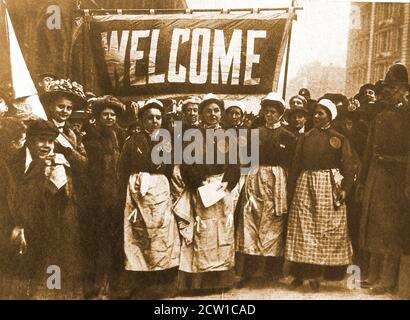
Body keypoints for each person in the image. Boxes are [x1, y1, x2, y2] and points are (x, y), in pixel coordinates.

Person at [9, 119, 84, 299]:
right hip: (20, 226)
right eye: (42, 140)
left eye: (51, 141)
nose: (47, 146)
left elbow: (62, 202)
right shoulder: (15, 162)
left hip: (51, 228)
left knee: (52, 267)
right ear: (30, 140)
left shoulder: (57, 164)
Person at [285, 99, 355, 292]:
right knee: (303, 229)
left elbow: (348, 166)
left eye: (321, 113)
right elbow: (296, 164)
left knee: (326, 229)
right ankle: (301, 274)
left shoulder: (339, 138)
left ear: (330, 116)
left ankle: (322, 274)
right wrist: (290, 191)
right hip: (306, 184)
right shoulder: (305, 137)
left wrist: (345, 189)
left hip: (328, 185)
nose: (316, 116)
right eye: (315, 113)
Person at [176, 93, 240, 294]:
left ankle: (220, 280)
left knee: (222, 231)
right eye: (208, 111)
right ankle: (198, 281)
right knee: (201, 233)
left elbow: (236, 165)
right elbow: (186, 165)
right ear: (202, 114)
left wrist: (227, 183)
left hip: (222, 189)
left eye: (216, 110)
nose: (213, 114)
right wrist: (198, 183)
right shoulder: (193, 136)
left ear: (221, 113)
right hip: (201, 189)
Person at [118, 99, 180, 299]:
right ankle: (141, 283)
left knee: (161, 235)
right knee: (139, 235)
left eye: (158, 118)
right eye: (150, 118)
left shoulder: (167, 142)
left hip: (160, 190)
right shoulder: (132, 141)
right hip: (137, 191)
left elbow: (170, 170)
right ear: (142, 120)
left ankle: (161, 282)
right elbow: (123, 169)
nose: (154, 121)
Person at [357, 63, 410, 295]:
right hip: (376, 175)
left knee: (390, 229)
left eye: (393, 88)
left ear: (402, 89)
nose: (389, 92)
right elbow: (369, 148)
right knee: (373, 224)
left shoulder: (407, 115)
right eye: (387, 88)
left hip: (396, 178)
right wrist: (363, 178)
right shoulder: (379, 114)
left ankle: (388, 279)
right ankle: (373, 273)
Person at [235, 92, 297, 287]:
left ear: (280, 113)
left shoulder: (289, 137)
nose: (269, 115)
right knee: (251, 221)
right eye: (267, 111)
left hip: (278, 181)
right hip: (255, 177)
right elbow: (245, 159)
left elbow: (292, 163)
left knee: (274, 222)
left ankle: (272, 271)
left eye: (273, 112)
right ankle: (248, 272)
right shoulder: (255, 133)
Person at [81, 95, 126, 299]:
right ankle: (96, 286)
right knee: (97, 243)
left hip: (118, 198)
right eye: (105, 114)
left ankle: (114, 286)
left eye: (112, 114)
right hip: (97, 199)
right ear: (98, 117)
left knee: (117, 242)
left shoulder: (122, 137)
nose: (109, 118)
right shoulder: (90, 138)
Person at [0, 118, 27, 299]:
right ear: (12, 142)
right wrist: (18, 225)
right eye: (22, 140)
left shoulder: (7, 161)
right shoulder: (4, 168)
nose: (24, 144)